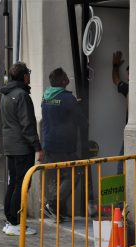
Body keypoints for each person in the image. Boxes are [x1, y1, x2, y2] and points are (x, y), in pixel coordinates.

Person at [41, 67, 89, 220]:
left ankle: (57, 210)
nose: (68, 77)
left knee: (59, 177)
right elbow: (82, 122)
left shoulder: (46, 96)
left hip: (49, 143)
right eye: (66, 76)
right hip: (65, 146)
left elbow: (56, 112)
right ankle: (52, 205)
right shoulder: (68, 99)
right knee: (74, 175)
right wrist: (77, 105)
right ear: (63, 81)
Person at [0, 62, 41, 236]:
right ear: (24, 76)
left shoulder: (6, 94)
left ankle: (10, 221)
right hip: (22, 147)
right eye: (29, 73)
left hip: (10, 145)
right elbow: (28, 125)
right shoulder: (22, 95)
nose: (29, 76)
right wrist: (37, 147)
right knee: (22, 184)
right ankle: (16, 222)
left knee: (13, 183)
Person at [112, 51, 128, 174]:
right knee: (121, 163)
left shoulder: (129, 89)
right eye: (128, 74)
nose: (128, 77)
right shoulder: (127, 88)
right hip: (128, 132)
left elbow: (116, 80)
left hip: (130, 131)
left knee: (121, 164)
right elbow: (116, 80)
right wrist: (115, 66)